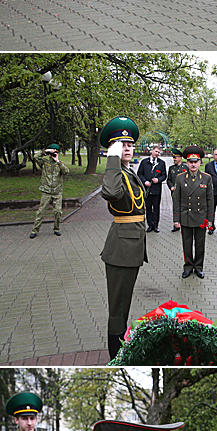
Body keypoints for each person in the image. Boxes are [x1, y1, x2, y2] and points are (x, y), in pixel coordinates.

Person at [99, 115, 147, 360]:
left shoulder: (128, 172)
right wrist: (112, 159)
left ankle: (119, 349)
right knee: (118, 307)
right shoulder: (116, 173)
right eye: (120, 144)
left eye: (129, 144)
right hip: (122, 248)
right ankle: (115, 356)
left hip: (130, 246)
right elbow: (110, 192)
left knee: (124, 303)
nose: (127, 147)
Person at [173, 146, 214, 279]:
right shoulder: (180, 178)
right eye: (190, 162)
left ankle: (199, 267)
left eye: (196, 162)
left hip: (201, 218)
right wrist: (176, 219)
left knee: (200, 244)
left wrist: (210, 219)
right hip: (186, 217)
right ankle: (188, 266)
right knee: (187, 244)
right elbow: (176, 200)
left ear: (200, 163)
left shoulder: (206, 178)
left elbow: (210, 200)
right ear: (187, 163)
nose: (193, 164)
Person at [30, 144, 69, 239]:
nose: (52, 155)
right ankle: (35, 230)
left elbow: (66, 171)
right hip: (46, 191)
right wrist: (45, 151)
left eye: (54, 153)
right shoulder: (44, 163)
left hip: (57, 191)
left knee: (58, 212)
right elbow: (35, 157)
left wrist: (58, 161)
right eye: (51, 153)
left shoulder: (59, 164)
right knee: (41, 211)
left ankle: (56, 229)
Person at [137, 143, 167, 232]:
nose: (157, 153)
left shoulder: (161, 163)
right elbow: (139, 174)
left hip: (157, 190)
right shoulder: (144, 162)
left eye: (159, 152)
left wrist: (158, 180)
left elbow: (164, 175)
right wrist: (144, 181)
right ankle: (150, 225)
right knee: (148, 207)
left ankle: (156, 225)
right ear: (152, 151)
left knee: (156, 208)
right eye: (156, 151)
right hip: (146, 190)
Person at [166, 149, 185, 229]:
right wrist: (171, 187)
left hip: (184, 192)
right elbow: (169, 180)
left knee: (184, 207)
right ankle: (176, 224)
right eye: (173, 157)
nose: (174, 159)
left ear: (180, 158)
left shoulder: (185, 167)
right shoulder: (171, 168)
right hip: (174, 192)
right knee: (176, 207)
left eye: (176, 157)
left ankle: (183, 223)